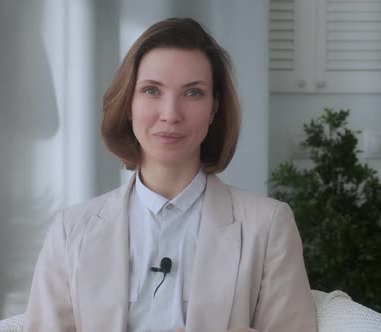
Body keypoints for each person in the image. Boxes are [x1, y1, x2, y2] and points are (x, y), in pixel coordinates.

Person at [23, 17, 317, 332]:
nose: (170, 114)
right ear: (129, 104)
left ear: (214, 108)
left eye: (193, 94)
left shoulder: (268, 225)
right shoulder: (71, 231)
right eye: (151, 90)